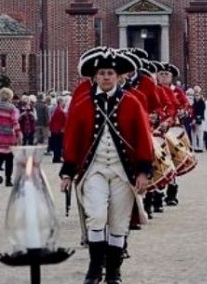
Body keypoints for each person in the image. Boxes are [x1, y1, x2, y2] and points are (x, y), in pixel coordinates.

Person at [59, 48, 154, 284]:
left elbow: (143, 137)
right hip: (95, 170)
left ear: (119, 76)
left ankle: (113, 272)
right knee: (97, 216)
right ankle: (94, 269)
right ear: (95, 76)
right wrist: (68, 172)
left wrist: (143, 171)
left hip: (123, 172)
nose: (106, 77)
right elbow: (72, 139)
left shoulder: (132, 102)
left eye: (110, 73)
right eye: (101, 73)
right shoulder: (82, 104)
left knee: (119, 222)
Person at [0, 88, 21, 187]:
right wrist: (19, 134)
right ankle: (8, 180)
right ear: (10, 96)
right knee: (9, 159)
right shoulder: (12, 108)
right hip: (8, 137)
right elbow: (15, 122)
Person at [48, 95, 69, 163]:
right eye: (63, 101)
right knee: (58, 145)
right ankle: (57, 158)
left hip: (54, 129)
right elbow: (63, 121)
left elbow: (52, 120)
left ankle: (56, 157)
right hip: (59, 130)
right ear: (60, 102)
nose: (64, 103)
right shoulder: (60, 110)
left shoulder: (56, 109)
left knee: (56, 144)